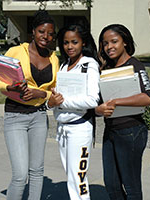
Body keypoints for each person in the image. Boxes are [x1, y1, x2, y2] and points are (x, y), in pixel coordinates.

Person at [0, 10, 59, 200]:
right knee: (20, 174)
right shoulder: (16, 51)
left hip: (39, 117)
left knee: (36, 171)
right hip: (15, 116)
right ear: (33, 31)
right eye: (42, 31)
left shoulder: (54, 58)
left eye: (50, 33)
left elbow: (55, 91)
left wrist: (41, 93)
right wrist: (9, 86)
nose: (46, 37)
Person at [95, 24, 150, 200]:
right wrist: (99, 109)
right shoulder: (106, 69)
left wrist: (117, 102)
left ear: (125, 43)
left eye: (114, 41)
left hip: (132, 132)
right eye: (105, 43)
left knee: (131, 186)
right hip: (111, 131)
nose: (109, 47)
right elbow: (99, 102)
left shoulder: (135, 65)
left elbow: (149, 97)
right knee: (112, 184)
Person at [47, 23, 101, 200]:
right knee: (71, 176)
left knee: (78, 177)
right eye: (65, 42)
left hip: (80, 128)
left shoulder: (89, 64)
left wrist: (63, 103)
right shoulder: (64, 66)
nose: (69, 47)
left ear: (83, 43)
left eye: (74, 42)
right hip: (63, 128)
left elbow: (93, 99)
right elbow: (60, 97)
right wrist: (53, 100)